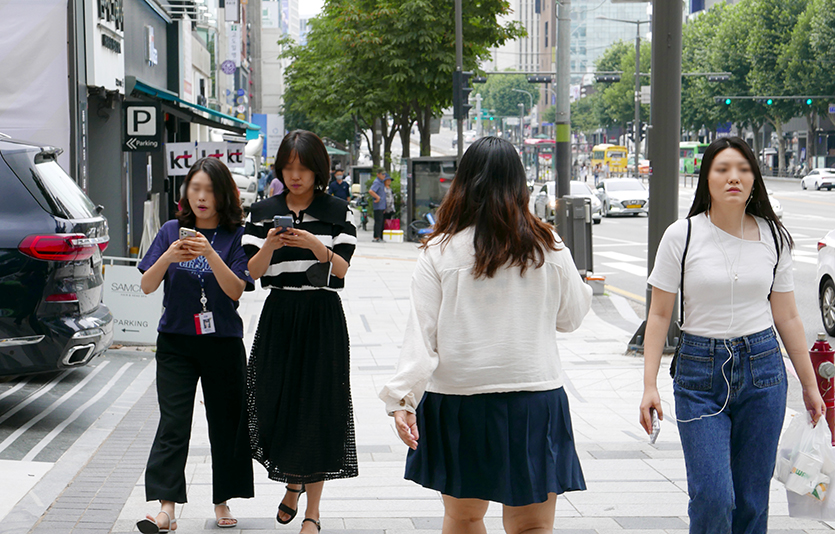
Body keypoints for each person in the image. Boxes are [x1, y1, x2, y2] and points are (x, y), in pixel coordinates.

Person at [380, 136, 592, 534]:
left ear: (462, 184)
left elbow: (421, 336)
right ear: (520, 184)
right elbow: (571, 317)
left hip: (459, 402)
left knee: (464, 518)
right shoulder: (548, 246)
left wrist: (402, 399)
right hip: (534, 399)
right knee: (531, 526)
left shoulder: (440, 250)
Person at [639, 136, 825, 534]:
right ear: (706, 178)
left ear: (755, 179)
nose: (733, 177)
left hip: (763, 372)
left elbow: (789, 317)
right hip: (699, 375)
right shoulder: (682, 235)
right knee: (713, 497)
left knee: (752, 500)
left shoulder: (774, 236)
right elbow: (659, 314)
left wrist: (810, 387)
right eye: (722, 169)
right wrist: (649, 385)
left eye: (743, 169)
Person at [242, 130, 358, 534]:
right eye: (288, 167)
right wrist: (270, 247)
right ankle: (293, 482)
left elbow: (341, 270)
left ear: (317, 170)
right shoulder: (262, 211)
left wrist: (315, 245)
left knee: (319, 409)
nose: (295, 176)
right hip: (279, 314)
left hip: (322, 315)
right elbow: (251, 273)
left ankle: (313, 512)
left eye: (303, 168)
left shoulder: (337, 210)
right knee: (274, 402)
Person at [136, 157, 255, 533]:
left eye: (210, 190)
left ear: (224, 195)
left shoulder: (237, 236)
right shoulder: (171, 231)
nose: (201, 197)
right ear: (186, 192)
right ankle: (166, 507)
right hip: (176, 342)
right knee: (173, 423)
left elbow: (236, 290)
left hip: (223, 342)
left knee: (225, 422)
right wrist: (169, 255)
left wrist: (210, 253)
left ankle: (222, 501)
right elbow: (147, 285)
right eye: (195, 188)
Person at [368, 170, 388, 242]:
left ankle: (380, 236)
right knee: (378, 221)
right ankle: (376, 237)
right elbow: (371, 191)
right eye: (382, 174)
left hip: (382, 205)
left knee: (382, 222)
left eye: (384, 174)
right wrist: (377, 197)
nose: (384, 175)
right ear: (378, 174)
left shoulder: (382, 182)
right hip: (378, 206)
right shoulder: (377, 182)